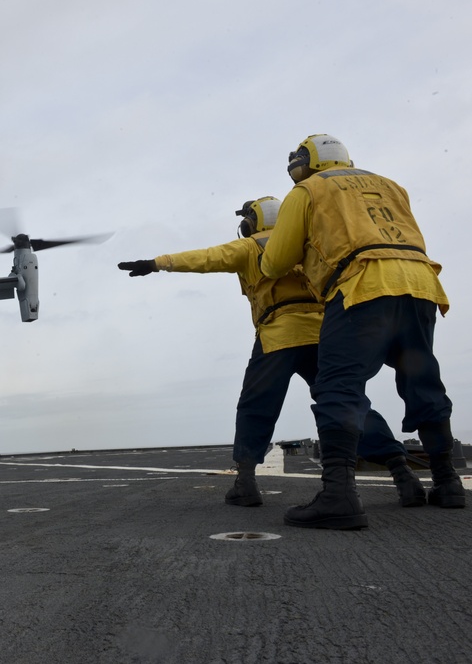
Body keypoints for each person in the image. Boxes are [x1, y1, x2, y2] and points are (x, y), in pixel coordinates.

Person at [118, 196, 423, 509]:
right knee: (349, 403)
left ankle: (246, 483)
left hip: (278, 334)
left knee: (256, 406)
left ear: (252, 222)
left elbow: (206, 258)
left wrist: (156, 263)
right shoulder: (311, 245)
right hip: (325, 334)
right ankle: (402, 473)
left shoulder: (250, 246)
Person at [261, 134, 464, 530]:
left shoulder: (309, 189)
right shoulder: (391, 184)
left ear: (305, 162)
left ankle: (338, 495)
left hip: (362, 287)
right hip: (420, 285)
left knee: (338, 385)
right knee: (422, 381)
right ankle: (447, 482)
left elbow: (275, 261)